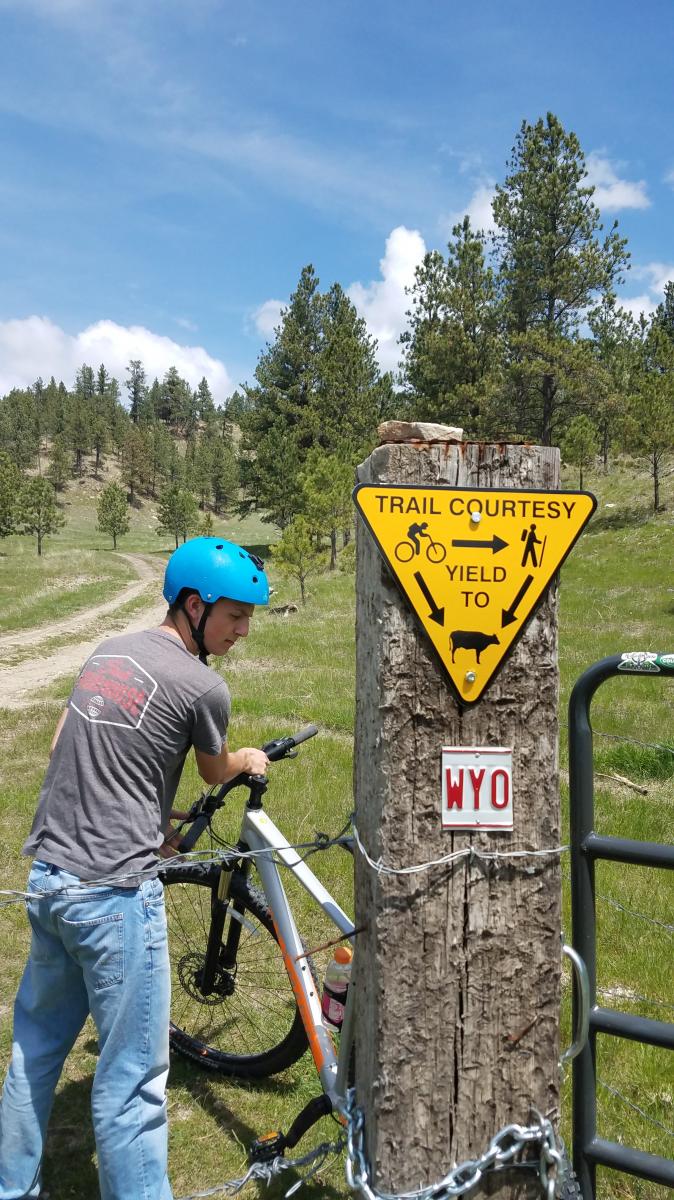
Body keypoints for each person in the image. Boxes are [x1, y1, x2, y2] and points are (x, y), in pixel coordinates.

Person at [0, 537, 270, 1200]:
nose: (242, 631)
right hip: (116, 895)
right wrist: (250, 759)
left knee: (33, 1051)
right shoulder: (203, 684)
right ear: (193, 604)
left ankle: (13, 1187)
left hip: (52, 877)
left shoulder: (108, 654)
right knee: (133, 1080)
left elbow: (70, 744)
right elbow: (215, 768)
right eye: (235, 615)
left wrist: (149, 816)